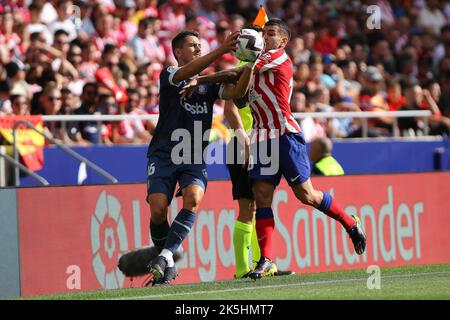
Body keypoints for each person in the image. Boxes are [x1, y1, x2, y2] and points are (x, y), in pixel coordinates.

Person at [243, 19, 366, 279]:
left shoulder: (278, 57)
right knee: (262, 196)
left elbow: (234, 76)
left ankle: (350, 222)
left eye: (271, 33)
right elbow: (236, 91)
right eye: (263, 33)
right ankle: (265, 260)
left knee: (306, 195)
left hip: (286, 134)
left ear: (284, 41)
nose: (265, 37)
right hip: (261, 138)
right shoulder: (252, 65)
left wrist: (200, 79)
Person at [146, 29, 254, 286]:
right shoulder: (169, 74)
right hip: (164, 154)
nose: (197, 48)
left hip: (193, 156)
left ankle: (164, 256)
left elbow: (237, 92)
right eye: (192, 45)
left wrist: (250, 61)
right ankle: (167, 260)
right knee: (158, 208)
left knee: (193, 198)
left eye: (200, 45)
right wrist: (222, 49)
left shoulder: (208, 85)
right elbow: (186, 74)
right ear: (177, 52)